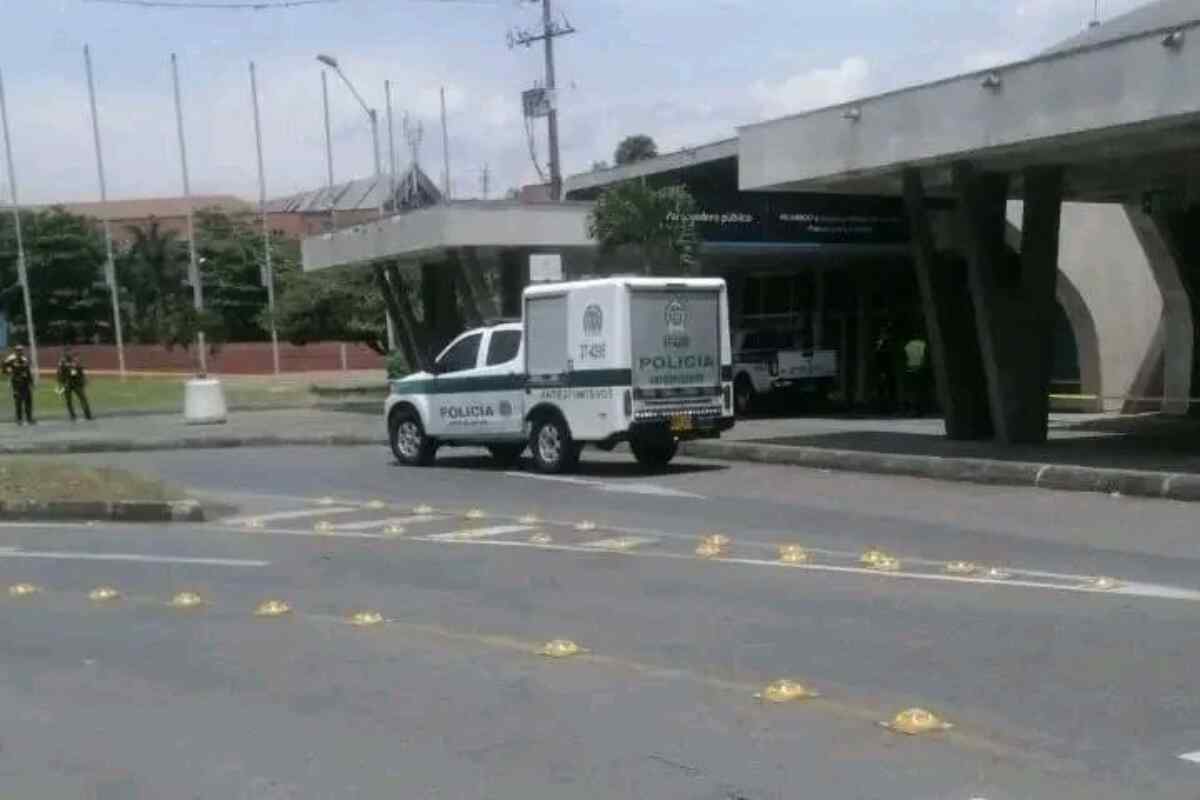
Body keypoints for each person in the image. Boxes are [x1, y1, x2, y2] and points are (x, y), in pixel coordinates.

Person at [2, 344, 36, 425]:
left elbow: (28, 371)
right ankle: (19, 419)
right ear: (15, 351)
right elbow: (3, 366)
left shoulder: (25, 359)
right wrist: (8, 372)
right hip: (16, 383)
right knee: (18, 401)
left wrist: (31, 382)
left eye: (21, 350)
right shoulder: (11, 358)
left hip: (25, 382)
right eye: (18, 350)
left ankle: (29, 418)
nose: (20, 351)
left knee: (28, 400)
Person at [57, 346, 93, 422]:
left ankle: (88, 414)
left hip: (76, 383)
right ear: (64, 353)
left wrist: (84, 380)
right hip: (67, 383)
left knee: (83, 398)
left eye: (69, 351)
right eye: (67, 352)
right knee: (68, 401)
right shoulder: (62, 361)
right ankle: (72, 415)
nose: (69, 353)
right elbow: (59, 373)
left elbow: (81, 370)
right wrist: (60, 383)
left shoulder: (75, 360)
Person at [903, 335, 929, 416]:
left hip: (912, 368)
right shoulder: (922, 344)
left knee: (913, 390)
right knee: (918, 389)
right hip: (918, 368)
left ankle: (915, 409)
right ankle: (917, 409)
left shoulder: (908, 345)